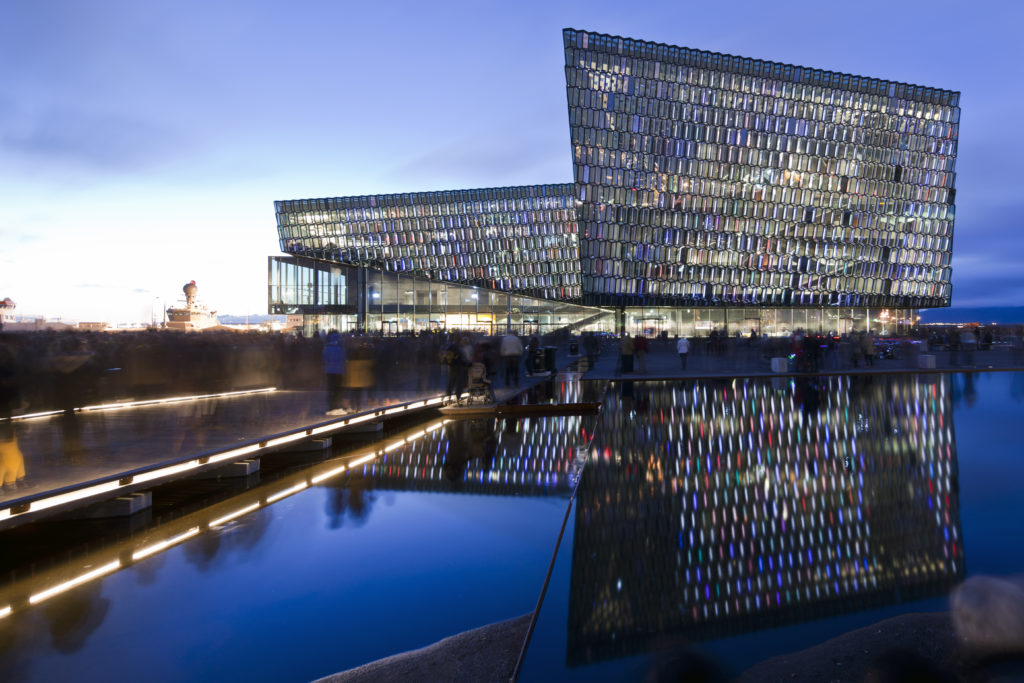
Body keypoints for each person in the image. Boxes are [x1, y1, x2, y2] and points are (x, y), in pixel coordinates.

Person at [322, 331, 346, 414]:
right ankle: (336, 406)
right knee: (337, 389)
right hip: (338, 371)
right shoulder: (340, 348)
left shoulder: (326, 348)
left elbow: (324, 360)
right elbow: (343, 359)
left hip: (329, 371)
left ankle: (331, 406)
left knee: (331, 389)